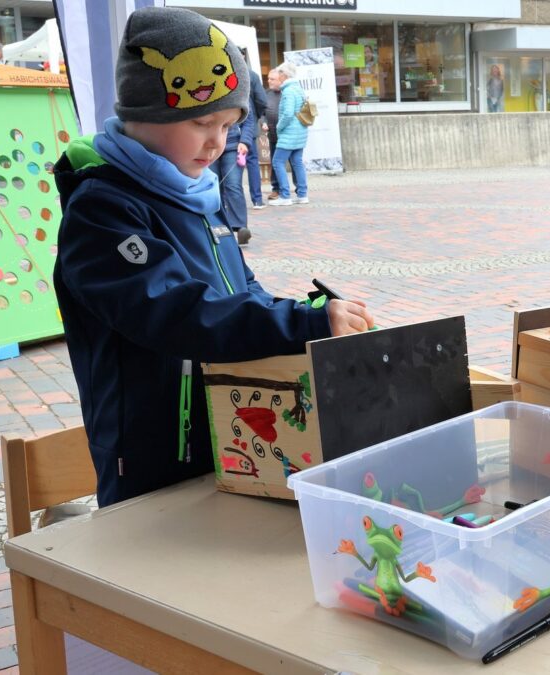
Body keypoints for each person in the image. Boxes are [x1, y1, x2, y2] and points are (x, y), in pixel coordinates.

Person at [52, 7, 376, 506]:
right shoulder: (102, 211)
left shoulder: (197, 195)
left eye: (229, 125)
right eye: (203, 121)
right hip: (150, 452)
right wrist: (301, 325)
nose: (217, 142)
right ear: (144, 115)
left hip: (224, 430)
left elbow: (243, 291)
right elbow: (176, 311)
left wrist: (308, 314)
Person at [213, 74, 255, 245]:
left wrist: (244, 141)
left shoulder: (238, 90)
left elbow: (249, 119)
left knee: (233, 185)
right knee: (213, 186)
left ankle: (240, 226)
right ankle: (218, 225)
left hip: (232, 145)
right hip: (211, 145)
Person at [270, 61, 309, 206]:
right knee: (297, 162)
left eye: (279, 73)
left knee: (277, 161)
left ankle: (285, 196)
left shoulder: (288, 91)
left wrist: (279, 127)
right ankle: (302, 194)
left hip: (289, 133)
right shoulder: (298, 88)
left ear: (284, 75)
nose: (278, 76)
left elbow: (287, 114)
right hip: (300, 131)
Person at [241, 50, 268, 214]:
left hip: (228, 127)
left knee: (225, 163)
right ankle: (257, 199)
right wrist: (257, 116)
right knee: (252, 162)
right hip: (249, 125)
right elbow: (262, 100)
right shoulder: (251, 75)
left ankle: (226, 202)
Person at [264, 67, 283, 201]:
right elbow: (261, 112)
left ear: (281, 80)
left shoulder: (287, 93)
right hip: (272, 133)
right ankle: (276, 188)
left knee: (294, 162)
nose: (269, 81)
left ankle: (299, 190)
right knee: (275, 161)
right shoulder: (266, 94)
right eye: (268, 79)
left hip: (287, 134)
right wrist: (263, 122)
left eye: (272, 79)